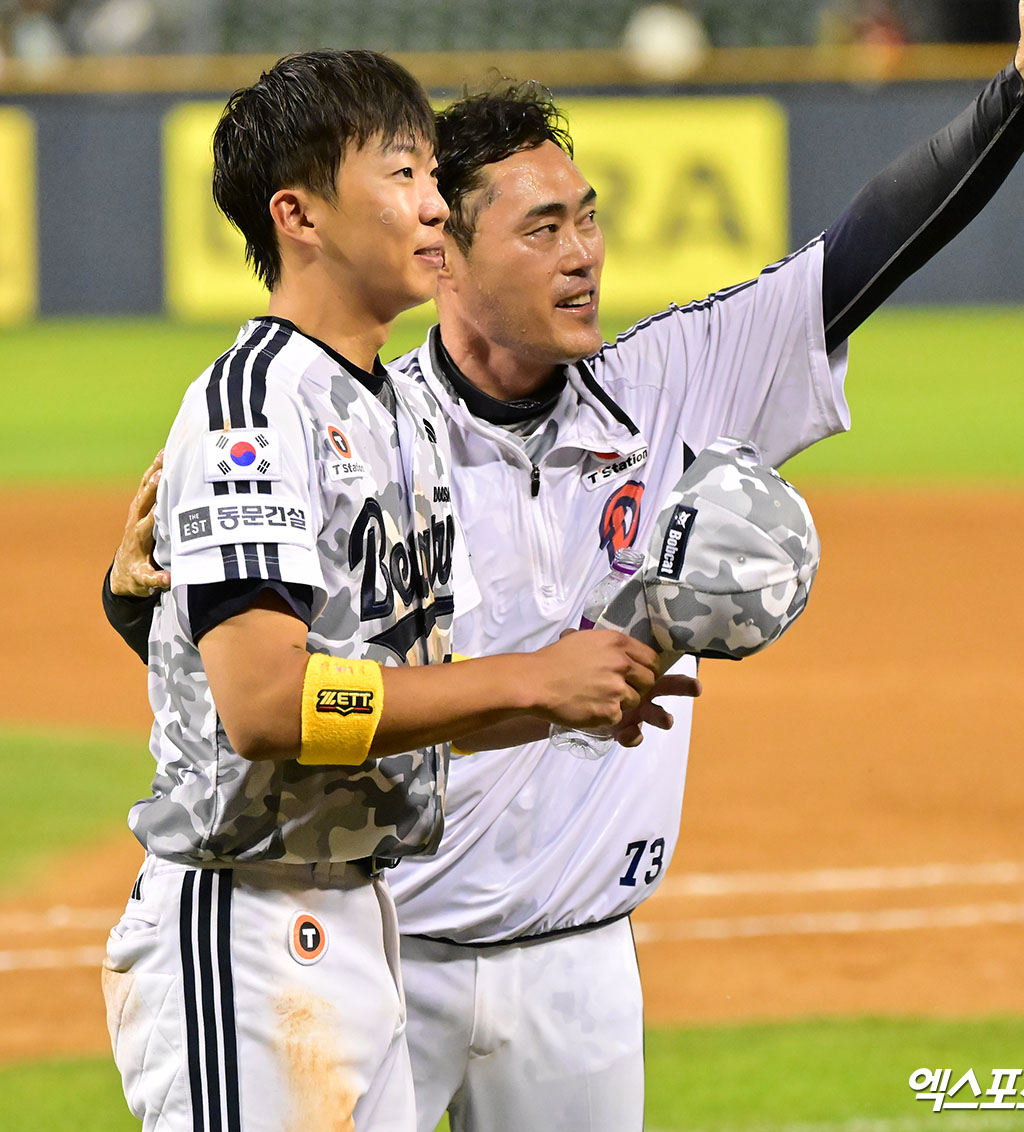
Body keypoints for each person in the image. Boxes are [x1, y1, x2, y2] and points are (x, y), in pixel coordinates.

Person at [105, 3, 1024, 1128]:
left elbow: (867, 246)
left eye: (588, 218)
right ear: (450, 253)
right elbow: (251, 684)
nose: (584, 253)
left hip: (572, 960)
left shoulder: (668, 383)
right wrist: (143, 600)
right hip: (376, 935)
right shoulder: (361, 424)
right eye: (541, 229)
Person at [99, 48, 665, 1132]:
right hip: (250, 933)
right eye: (404, 174)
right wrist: (529, 676)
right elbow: (269, 705)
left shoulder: (395, 415)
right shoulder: (254, 411)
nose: (433, 207)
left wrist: (557, 699)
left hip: (356, 920)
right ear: (299, 214)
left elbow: (392, 699)